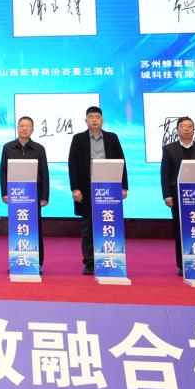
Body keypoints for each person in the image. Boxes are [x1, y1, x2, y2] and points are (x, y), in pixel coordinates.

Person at [68, 106, 127, 275]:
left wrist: (123, 186)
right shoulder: (78, 139)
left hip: (109, 188)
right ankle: (89, 262)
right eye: (91, 117)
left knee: (109, 223)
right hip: (86, 189)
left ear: (102, 120)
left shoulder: (112, 138)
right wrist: (75, 188)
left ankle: (110, 257)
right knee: (88, 226)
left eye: (97, 117)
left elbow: (122, 161)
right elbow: (73, 164)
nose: (94, 120)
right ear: (86, 120)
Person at [160, 116, 195, 276]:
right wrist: (167, 195)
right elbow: (165, 173)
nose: (186, 129)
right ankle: (182, 264)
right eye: (183, 126)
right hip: (177, 195)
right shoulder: (169, 149)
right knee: (180, 230)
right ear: (177, 129)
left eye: (189, 126)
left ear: (194, 129)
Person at [0, 116, 50, 269]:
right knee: (17, 228)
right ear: (17, 128)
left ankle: (37, 262)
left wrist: (45, 196)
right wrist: (4, 193)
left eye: (28, 126)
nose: (24, 128)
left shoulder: (39, 149)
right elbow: (3, 171)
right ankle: (17, 261)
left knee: (35, 228)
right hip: (15, 196)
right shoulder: (8, 147)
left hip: (34, 196)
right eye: (22, 126)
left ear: (32, 130)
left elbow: (44, 173)